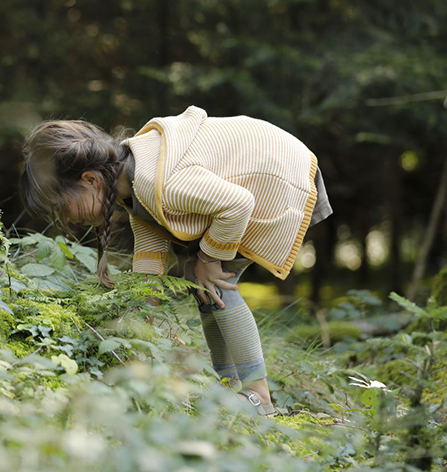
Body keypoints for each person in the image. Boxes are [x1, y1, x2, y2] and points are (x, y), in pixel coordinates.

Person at [20, 105, 333, 416]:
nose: (68, 219)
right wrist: (143, 308)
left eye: (63, 207)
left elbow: (237, 204)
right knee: (201, 283)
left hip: (278, 174)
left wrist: (210, 258)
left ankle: (257, 396)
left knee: (214, 280)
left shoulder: (164, 182)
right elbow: (149, 247)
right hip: (263, 171)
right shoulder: (135, 184)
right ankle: (228, 385)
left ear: (90, 180)